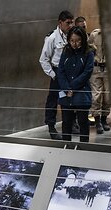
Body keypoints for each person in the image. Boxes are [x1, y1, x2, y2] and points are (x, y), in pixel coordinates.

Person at [39, 10, 74, 140]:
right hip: (57, 72)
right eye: (68, 23)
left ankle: (70, 125)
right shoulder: (52, 38)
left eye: (72, 22)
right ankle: (51, 127)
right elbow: (43, 59)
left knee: (69, 100)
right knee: (53, 101)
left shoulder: (71, 35)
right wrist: (53, 75)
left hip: (69, 73)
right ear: (60, 23)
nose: (70, 25)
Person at [57, 26, 95, 142]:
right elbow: (60, 70)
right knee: (66, 123)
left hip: (82, 93)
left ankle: (84, 150)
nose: (75, 44)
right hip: (66, 93)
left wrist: (72, 87)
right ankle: (66, 150)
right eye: (72, 41)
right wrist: (66, 88)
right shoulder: (65, 51)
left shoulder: (88, 53)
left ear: (83, 40)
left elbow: (87, 73)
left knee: (83, 122)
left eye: (78, 41)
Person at [88, 28, 111, 134]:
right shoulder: (95, 34)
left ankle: (104, 119)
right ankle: (97, 121)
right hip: (96, 69)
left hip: (108, 69)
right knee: (96, 96)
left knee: (108, 96)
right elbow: (88, 48)